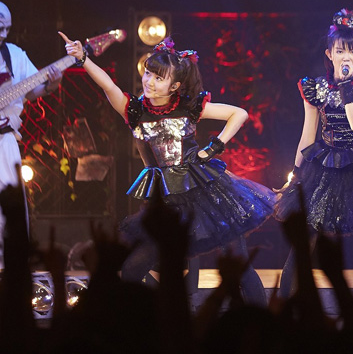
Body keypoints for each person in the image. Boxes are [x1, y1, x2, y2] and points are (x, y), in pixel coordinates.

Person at [59, 32, 274, 306]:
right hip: (168, 201)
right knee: (133, 268)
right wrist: (83, 58)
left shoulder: (189, 107)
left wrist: (212, 149)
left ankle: (261, 320)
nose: (149, 81)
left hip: (206, 194)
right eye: (148, 73)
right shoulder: (135, 110)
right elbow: (109, 86)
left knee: (239, 263)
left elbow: (239, 113)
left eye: (159, 78)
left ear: (175, 86)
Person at [275, 9, 353, 297]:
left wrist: (345, 86)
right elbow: (308, 135)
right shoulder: (314, 87)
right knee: (303, 245)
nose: (346, 57)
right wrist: (295, 177)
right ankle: (282, 308)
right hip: (325, 168)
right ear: (329, 54)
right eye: (340, 50)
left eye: (352, 51)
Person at [0, 1, 62, 190]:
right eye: (1, 28)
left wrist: (52, 84)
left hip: (5, 140)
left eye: (8, 29)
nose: (4, 34)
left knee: (9, 202)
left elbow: (31, 92)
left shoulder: (15, 55)